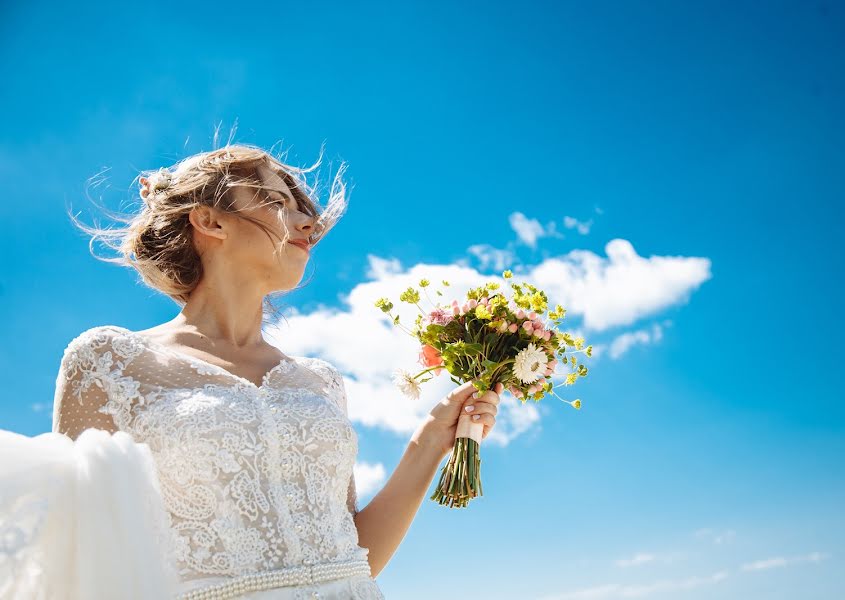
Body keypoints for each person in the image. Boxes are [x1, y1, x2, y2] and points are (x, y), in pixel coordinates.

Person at [0, 143, 502, 599]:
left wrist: (431, 441)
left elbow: (356, 558)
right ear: (209, 221)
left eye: (303, 209)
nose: (308, 224)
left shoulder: (319, 381)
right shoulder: (110, 362)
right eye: (277, 203)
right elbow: (76, 559)